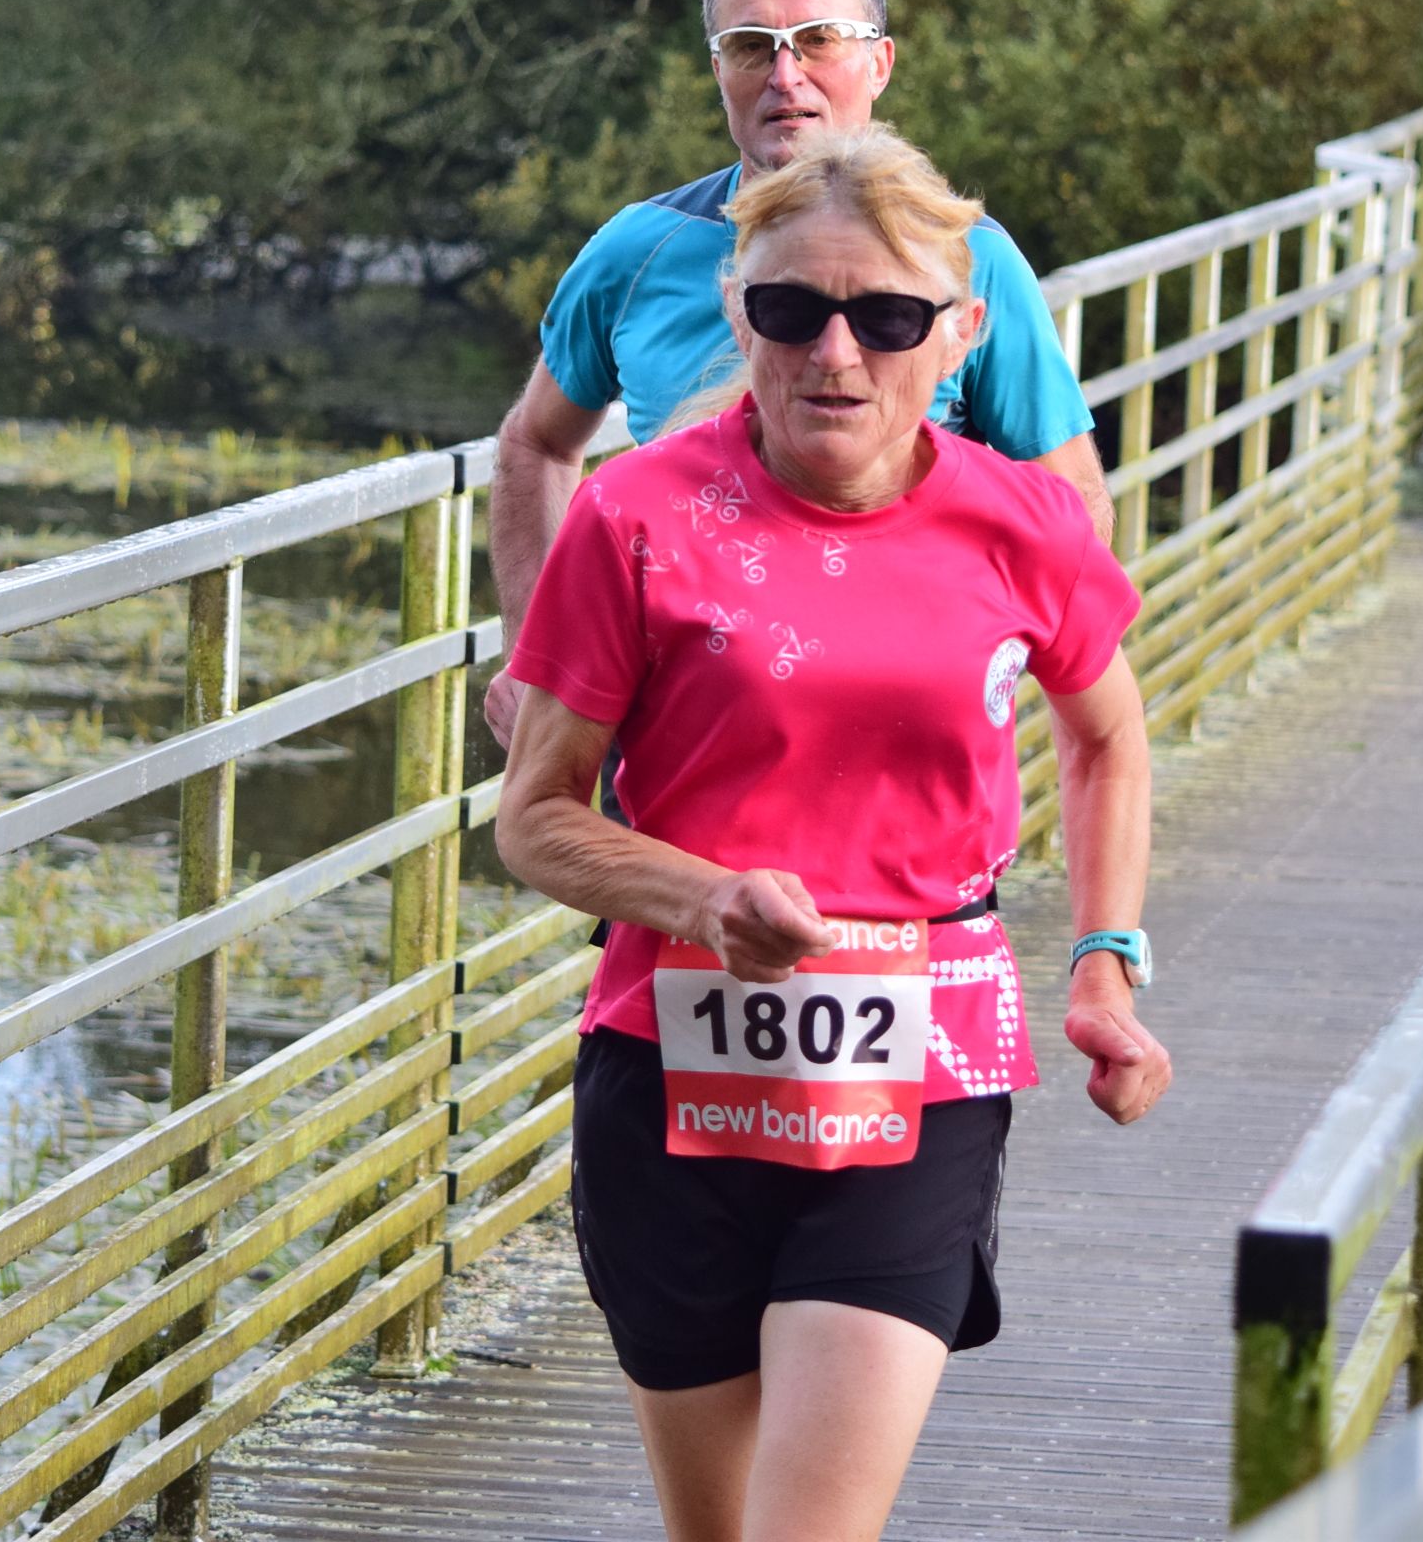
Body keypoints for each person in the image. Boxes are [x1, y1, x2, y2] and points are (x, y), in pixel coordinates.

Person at [493, 126, 1170, 1542]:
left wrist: (1106, 961)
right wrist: (703, 899)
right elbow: (537, 819)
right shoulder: (633, 514)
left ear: (962, 333)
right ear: (739, 312)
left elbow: (1106, 733)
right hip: (669, 1071)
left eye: (890, 318)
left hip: (919, 1072)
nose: (836, 353)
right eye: (792, 309)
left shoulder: (1024, 522)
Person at [486, 0, 1110, 748]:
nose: (787, 75)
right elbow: (537, 443)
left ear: (879, 63)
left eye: (820, 40)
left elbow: (1070, 503)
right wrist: (543, 654)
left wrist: (975, 673)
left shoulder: (968, 260)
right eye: (751, 47)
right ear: (718, 71)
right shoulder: (636, 252)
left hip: (894, 738)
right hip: (665, 737)